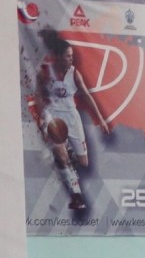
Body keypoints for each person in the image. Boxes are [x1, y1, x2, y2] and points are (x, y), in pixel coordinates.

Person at [29, 29, 111, 213]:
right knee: (62, 155)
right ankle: (76, 195)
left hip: (71, 116)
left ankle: (68, 155)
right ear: (58, 57)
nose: (71, 59)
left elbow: (87, 96)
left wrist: (101, 120)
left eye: (72, 56)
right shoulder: (45, 71)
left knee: (83, 163)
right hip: (53, 115)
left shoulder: (74, 74)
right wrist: (42, 117)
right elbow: (38, 95)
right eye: (68, 56)